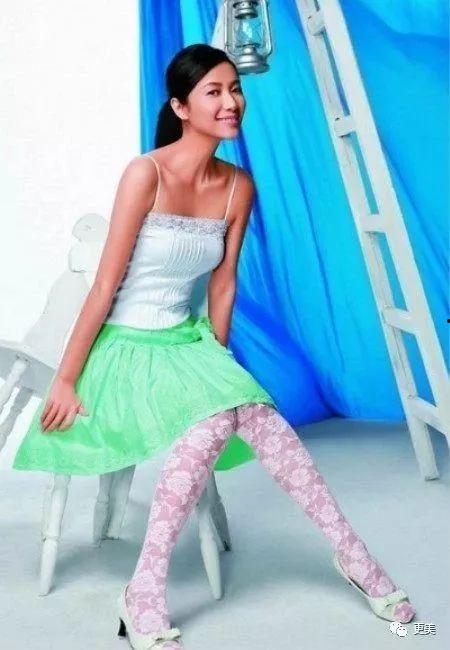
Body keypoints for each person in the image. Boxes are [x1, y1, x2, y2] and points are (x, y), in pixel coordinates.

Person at [13, 44, 416, 649]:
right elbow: (103, 286)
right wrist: (67, 377)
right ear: (181, 107)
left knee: (260, 422)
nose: (232, 102)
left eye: (236, 89)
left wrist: (216, 366)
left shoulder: (236, 187)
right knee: (216, 419)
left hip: (188, 345)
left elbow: (223, 283)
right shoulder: (145, 174)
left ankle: (350, 556)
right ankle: (146, 590)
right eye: (214, 92)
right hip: (125, 348)